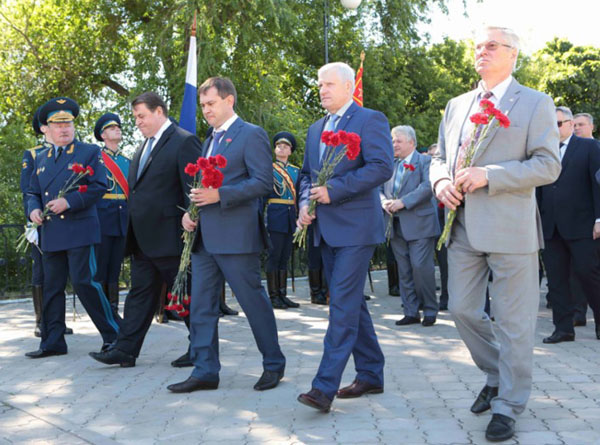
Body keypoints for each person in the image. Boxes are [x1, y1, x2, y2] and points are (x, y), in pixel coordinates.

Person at [430, 27, 561, 441]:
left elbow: (548, 165)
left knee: (514, 324)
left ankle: (508, 405)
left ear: (513, 54)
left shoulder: (536, 103)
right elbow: (440, 157)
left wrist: (491, 175)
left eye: (491, 46)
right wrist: (440, 182)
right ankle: (496, 374)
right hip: (462, 226)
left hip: (512, 230)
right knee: (462, 310)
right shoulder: (457, 105)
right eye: (478, 46)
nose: (481, 51)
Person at [167, 77, 286, 393]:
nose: (206, 110)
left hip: (236, 237)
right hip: (204, 237)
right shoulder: (209, 139)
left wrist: (220, 195)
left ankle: (273, 364)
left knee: (252, 303)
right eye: (203, 105)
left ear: (229, 100)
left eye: (211, 103)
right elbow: (204, 186)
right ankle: (205, 371)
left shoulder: (251, 134)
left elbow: (263, 182)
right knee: (202, 307)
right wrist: (191, 213)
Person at [296, 62, 393, 413]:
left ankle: (324, 388)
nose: (322, 90)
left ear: (349, 86)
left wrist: (333, 190)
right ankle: (371, 373)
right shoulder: (315, 129)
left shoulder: (370, 120)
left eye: (329, 84)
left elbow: (382, 167)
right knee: (351, 302)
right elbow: (306, 175)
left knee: (341, 303)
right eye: (320, 84)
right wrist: (304, 203)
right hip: (325, 229)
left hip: (356, 228)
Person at [89, 92, 202, 368]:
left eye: (142, 116)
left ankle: (201, 348)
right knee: (139, 296)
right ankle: (125, 350)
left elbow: (193, 188)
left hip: (171, 237)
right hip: (142, 238)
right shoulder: (143, 146)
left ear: (159, 112)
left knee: (184, 295)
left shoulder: (183, 141)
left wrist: (191, 226)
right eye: (135, 117)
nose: (137, 122)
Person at [25, 97, 119, 358]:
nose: (64, 129)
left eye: (68, 123)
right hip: (51, 232)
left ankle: (115, 336)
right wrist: (33, 209)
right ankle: (53, 341)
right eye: (58, 125)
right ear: (47, 129)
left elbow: (99, 186)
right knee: (52, 287)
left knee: (84, 283)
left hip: (79, 229)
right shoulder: (41, 158)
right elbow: (32, 191)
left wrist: (69, 201)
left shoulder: (88, 152)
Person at [537, 106, 600, 343]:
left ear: (571, 124)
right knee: (556, 280)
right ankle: (563, 329)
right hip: (551, 227)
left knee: (588, 274)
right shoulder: (543, 151)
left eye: (559, 123)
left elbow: (598, 185)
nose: (554, 129)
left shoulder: (589, 147)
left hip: (582, 225)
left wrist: (599, 219)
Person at [381, 125, 440, 327]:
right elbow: (378, 188)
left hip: (420, 224)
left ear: (411, 142)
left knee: (421, 267)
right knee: (404, 270)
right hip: (394, 224)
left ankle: (430, 309)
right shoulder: (389, 164)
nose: (394, 144)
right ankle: (411, 311)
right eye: (392, 140)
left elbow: (427, 187)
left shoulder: (425, 161)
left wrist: (403, 202)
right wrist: (383, 202)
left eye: (398, 141)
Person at [93, 113, 130, 315]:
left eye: (118, 127)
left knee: (116, 266)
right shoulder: (96, 160)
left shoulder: (127, 161)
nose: (117, 129)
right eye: (111, 128)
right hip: (103, 217)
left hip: (122, 217)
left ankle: (113, 309)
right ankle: (102, 310)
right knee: (101, 266)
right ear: (103, 135)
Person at [264, 131, 300, 309]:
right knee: (274, 256)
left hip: (290, 216)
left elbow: (299, 195)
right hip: (275, 216)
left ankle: (282, 294)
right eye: (279, 146)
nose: (282, 148)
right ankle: (273, 296)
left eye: (285, 146)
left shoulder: (296, 171)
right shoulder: (268, 169)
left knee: (285, 257)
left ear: (290, 151)